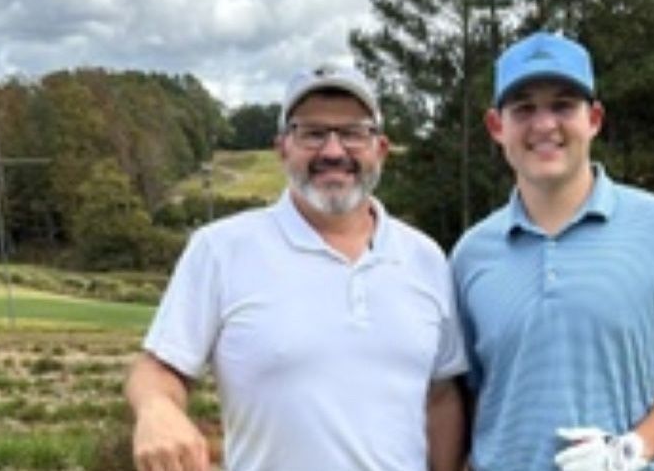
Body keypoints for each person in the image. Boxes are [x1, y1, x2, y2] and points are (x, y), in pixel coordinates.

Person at [125, 64, 467, 471]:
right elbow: (158, 367)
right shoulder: (220, 250)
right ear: (283, 147)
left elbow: (441, 395)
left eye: (353, 132)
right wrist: (156, 410)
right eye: (313, 133)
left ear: (381, 149)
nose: (334, 151)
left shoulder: (425, 258)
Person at [450, 32, 654, 471]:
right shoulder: (470, 255)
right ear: (496, 127)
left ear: (594, 119)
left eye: (563, 105)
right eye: (524, 107)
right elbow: (462, 397)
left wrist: (634, 447)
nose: (544, 125)